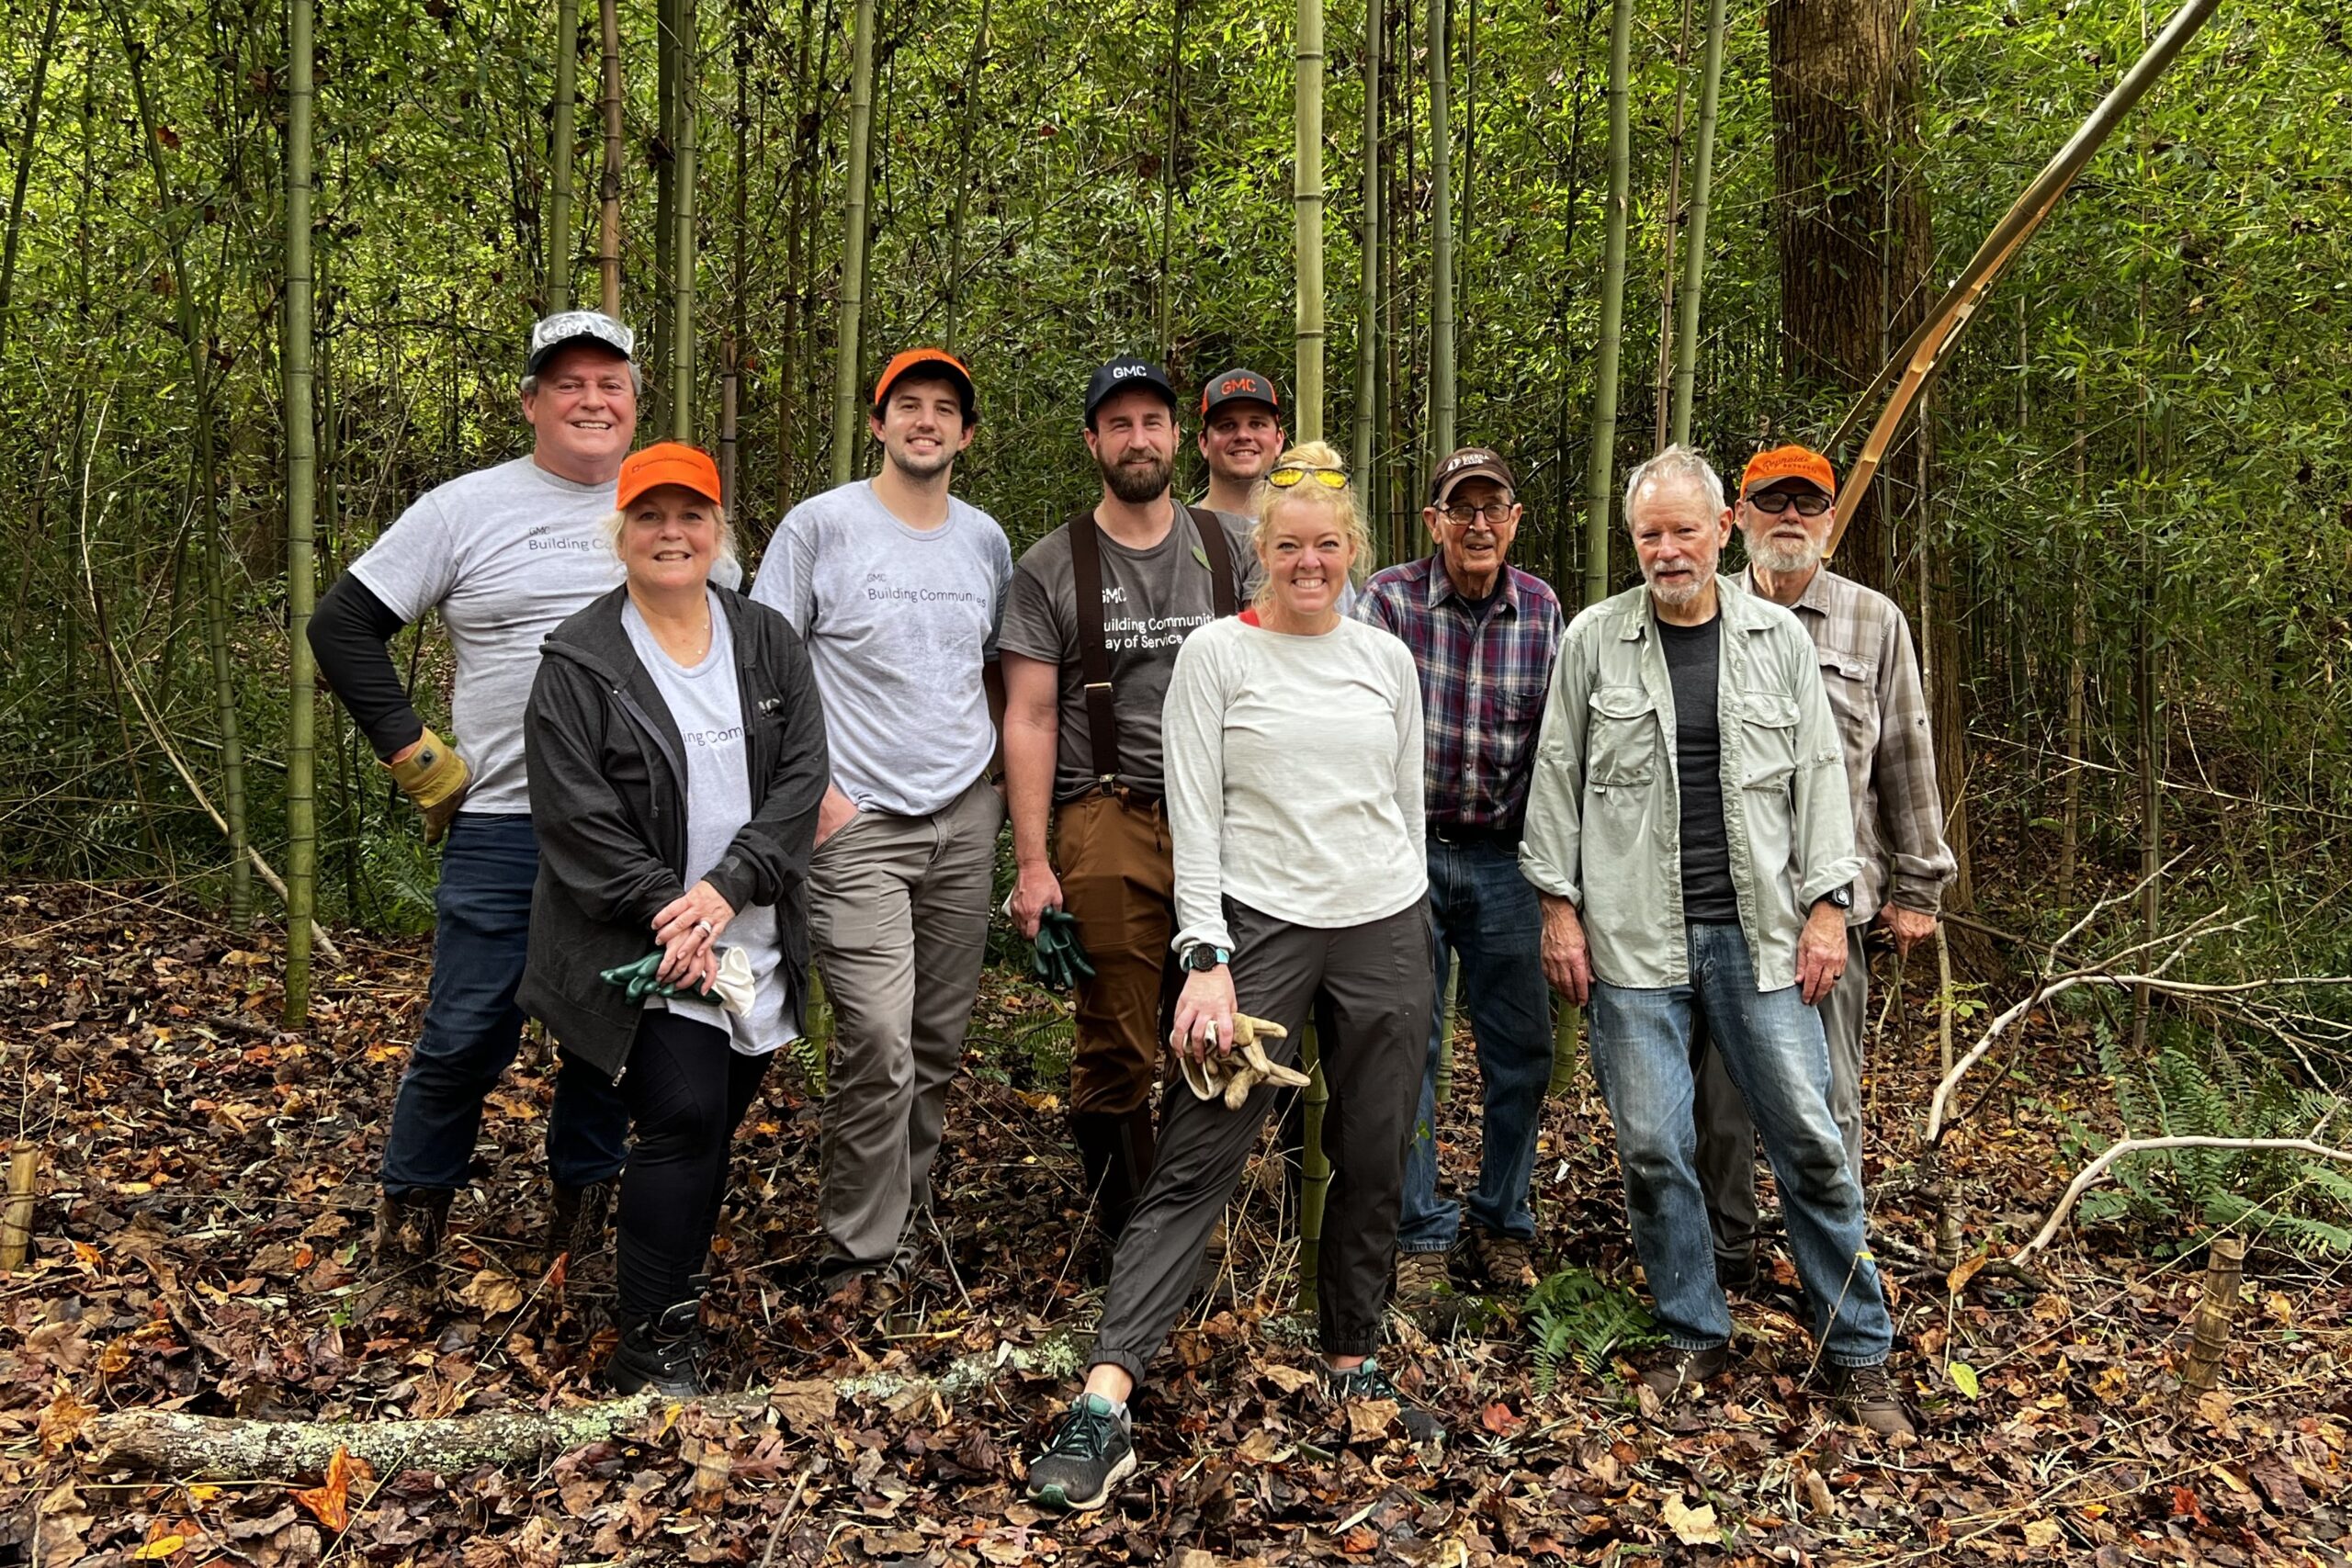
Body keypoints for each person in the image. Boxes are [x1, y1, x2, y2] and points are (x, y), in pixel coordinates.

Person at [1023, 444, 1437, 1512]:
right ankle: (1106, 1397)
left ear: (1353, 553)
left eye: (1328, 547)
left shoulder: (1384, 657)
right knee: (1196, 1158)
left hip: (1383, 924)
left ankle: (1351, 1360)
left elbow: (1404, 805)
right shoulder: (1218, 654)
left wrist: (1412, 923)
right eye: (1289, 546)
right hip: (1259, 930)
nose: (1309, 563)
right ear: (1261, 551)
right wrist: (1203, 960)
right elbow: (1194, 817)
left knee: (1376, 1152)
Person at [1518, 444, 1912, 1438]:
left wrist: (1832, 906)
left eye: (1683, 530)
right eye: (1648, 533)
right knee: (1654, 1147)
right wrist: (1556, 909)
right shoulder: (1594, 642)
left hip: (1763, 936)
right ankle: (1692, 1326)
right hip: (1632, 941)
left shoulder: (1776, 638)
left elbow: (1824, 782)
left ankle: (1859, 1350)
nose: (1666, 550)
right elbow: (1555, 777)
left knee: (1812, 1143)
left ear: (1720, 530)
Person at [309, 311, 665, 1300]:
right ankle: (405, 1241)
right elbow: (342, 624)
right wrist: (419, 758)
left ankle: (583, 1238)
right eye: (569, 384)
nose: (592, 401)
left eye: (611, 384)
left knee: (608, 1037)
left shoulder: (670, 509)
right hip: (505, 820)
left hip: (635, 837)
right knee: (468, 1031)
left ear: (636, 404)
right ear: (531, 402)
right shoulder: (466, 508)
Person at [520, 442, 828, 1394]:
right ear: (620, 533)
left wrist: (728, 889)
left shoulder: (766, 638)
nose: (671, 533)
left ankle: (671, 1282)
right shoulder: (580, 660)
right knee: (684, 1114)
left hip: (749, 932)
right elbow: (575, 815)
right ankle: (653, 1347)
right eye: (649, 516)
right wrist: (670, 909)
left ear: (716, 531)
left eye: (689, 515)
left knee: (717, 1116)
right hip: (637, 941)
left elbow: (801, 778)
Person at [750, 348, 1012, 1308]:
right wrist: (810, 794)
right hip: (855, 821)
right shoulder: (822, 526)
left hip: (962, 814)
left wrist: (990, 782)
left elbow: (995, 667)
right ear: (878, 421)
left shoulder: (984, 540)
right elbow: (763, 665)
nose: (927, 421)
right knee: (877, 1038)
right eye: (909, 405)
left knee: (936, 1041)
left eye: (946, 409)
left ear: (967, 434)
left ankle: (904, 1214)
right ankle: (858, 1252)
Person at [999, 359, 1258, 1255]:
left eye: (1153, 421)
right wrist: (1032, 866)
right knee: (1115, 1044)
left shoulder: (1233, 550)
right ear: (1093, 443)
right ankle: (1135, 1238)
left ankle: (1183, 1222)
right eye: (1119, 425)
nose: (1138, 439)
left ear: (1176, 436)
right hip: (1103, 814)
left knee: (1212, 1033)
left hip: (1223, 821)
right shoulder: (1049, 566)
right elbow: (1028, 716)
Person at [1693, 446, 1957, 1287]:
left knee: (1829, 1100)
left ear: (1832, 522)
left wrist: (1919, 884)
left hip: (1833, 914)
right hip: (1726, 904)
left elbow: (1907, 756)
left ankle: (1838, 1268)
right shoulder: (1705, 611)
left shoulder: (1874, 620)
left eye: (1809, 506)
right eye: (1774, 504)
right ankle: (1723, 1252)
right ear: (1739, 518)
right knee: (1719, 1101)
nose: (1792, 520)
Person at [1357, 446, 1564, 1302]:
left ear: (1515, 519)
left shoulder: (1544, 610)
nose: (1479, 523)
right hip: (1408, 853)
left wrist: (1561, 881)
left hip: (1507, 860)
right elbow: (1357, 728)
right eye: (1461, 508)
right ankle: (1420, 1228)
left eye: (1495, 507)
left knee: (1525, 1051)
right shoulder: (1390, 602)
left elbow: (1561, 749)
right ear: (1434, 520)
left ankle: (1501, 1220)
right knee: (1412, 1047)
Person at [1193, 368, 1284, 517]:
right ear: (1204, 443)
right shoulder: (1180, 531)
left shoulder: (1304, 529)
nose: (1243, 435)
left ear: (1278, 440)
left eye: (1257, 424)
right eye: (1227, 425)